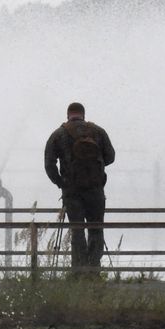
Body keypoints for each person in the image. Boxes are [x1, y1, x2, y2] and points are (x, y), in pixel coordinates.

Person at [44, 102, 116, 274]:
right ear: (83, 114)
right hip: (95, 190)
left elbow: (49, 164)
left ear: (68, 114)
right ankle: (93, 271)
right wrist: (95, 167)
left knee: (77, 231)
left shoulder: (59, 134)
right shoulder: (98, 132)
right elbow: (111, 157)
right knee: (96, 229)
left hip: (72, 191)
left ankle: (78, 272)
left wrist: (61, 183)